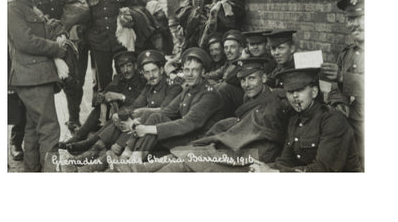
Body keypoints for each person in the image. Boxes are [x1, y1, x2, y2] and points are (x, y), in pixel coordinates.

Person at [117, 57, 287, 172]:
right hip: (230, 145)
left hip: (246, 155)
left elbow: (267, 142)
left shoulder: (271, 105)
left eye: (252, 79)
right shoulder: (254, 97)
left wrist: (230, 147)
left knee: (183, 164)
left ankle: (136, 171)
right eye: (243, 80)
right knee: (180, 154)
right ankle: (136, 169)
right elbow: (166, 111)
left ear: (264, 78)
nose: (247, 84)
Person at [70, 50, 183, 172]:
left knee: (139, 117)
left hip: (159, 132)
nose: (151, 76)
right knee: (125, 117)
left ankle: (102, 159)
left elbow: (163, 112)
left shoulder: (173, 86)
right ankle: (93, 153)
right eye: (147, 72)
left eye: (154, 71)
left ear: (161, 70)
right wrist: (119, 115)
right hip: (143, 128)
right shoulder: (149, 86)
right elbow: (135, 106)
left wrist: (134, 116)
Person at [8, 0, 67, 172]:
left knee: (33, 128)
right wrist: (56, 49)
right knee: (50, 128)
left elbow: (45, 29)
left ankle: (33, 171)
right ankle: (51, 174)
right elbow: (26, 41)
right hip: (32, 76)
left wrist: (59, 34)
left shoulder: (29, 7)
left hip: (34, 75)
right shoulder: (13, 8)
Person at [249, 68, 361, 172]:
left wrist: (275, 172)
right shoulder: (294, 119)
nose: (295, 96)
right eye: (290, 92)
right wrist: (265, 168)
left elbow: (323, 170)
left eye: (300, 90)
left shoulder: (333, 120)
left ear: (314, 92)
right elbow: (286, 161)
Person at [128, 47, 225, 162]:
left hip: (199, 142)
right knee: (156, 117)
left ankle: (134, 158)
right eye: (187, 70)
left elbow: (188, 124)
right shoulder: (188, 89)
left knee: (155, 123)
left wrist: (148, 128)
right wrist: (141, 120)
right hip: (185, 135)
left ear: (203, 72)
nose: (189, 74)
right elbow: (167, 110)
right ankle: (133, 155)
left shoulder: (209, 94)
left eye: (194, 70)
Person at [35, 0, 87, 134]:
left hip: (60, 40)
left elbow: (81, 7)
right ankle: (21, 136)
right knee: (37, 87)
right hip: (38, 42)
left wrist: (62, 27)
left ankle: (73, 119)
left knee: (73, 80)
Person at [59, 51, 145, 151]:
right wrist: (101, 98)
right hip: (115, 116)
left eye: (129, 66)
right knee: (99, 108)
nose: (126, 70)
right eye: (122, 67)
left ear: (135, 66)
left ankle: (88, 143)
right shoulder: (118, 79)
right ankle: (79, 136)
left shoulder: (142, 81)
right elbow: (98, 99)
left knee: (120, 112)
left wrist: (120, 97)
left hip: (130, 118)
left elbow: (139, 104)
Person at [321, 0, 364, 169]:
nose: (354, 24)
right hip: (349, 125)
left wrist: (342, 77)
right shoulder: (347, 53)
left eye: (360, 18)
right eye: (350, 19)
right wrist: (338, 101)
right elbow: (333, 87)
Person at [85, 0, 138, 90]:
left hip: (119, 42)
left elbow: (136, 10)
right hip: (99, 44)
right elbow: (85, 20)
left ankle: (126, 105)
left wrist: (129, 18)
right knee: (103, 81)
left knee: (126, 76)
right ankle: (104, 109)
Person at [206, 30, 245, 117]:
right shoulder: (229, 62)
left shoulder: (243, 63)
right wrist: (200, 76)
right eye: (226, 48)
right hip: (227, 99)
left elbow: (229, 79)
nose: (228, 51)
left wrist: (242, 59)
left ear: (241, 49)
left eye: (232, 47)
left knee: (222, 87)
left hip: (241, 101)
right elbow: (217, 73)